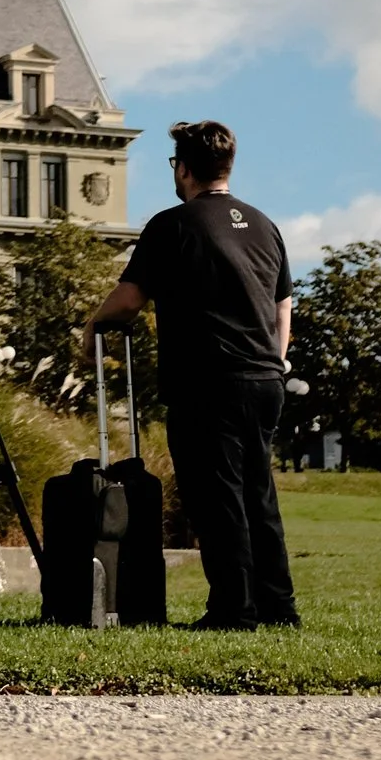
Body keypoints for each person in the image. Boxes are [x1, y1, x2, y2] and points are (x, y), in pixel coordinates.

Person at [84, 120, 298, 630]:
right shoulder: (264, 224)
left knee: (217, 497)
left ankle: (234, 610)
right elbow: (283, 306)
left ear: (182, 168)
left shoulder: (173, 226)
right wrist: (275, 358)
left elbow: (130, 300)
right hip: (265, 378)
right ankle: (278, 607)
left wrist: (93, 323)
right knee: (257, 494)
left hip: (208, 382)